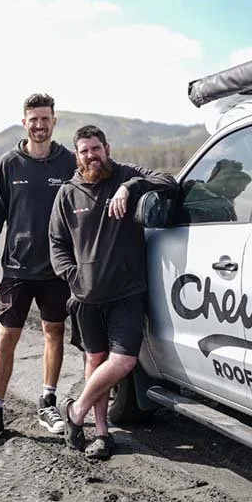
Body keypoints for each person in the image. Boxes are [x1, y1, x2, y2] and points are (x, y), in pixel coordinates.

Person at [49, 124, 179, 460]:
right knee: (95, 360)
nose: (91, 155)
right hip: (86, 296)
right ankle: (102, 435)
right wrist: (72, 277)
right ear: (77, 156)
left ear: (107, 148)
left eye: (96, 148)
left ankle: (75, 412)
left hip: (127, 292)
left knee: (122, 361)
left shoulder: (126, 174)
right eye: (84, 151)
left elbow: (169, 181)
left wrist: (128, 187)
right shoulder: (68, 192)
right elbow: (57, 243)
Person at [0, 93, 77, 453]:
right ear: (25, 122)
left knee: (54, 331)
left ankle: (48, 403)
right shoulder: (9, 164)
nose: (39, 125)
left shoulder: (68, 163)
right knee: (7, 336)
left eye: (45, 119)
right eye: (33, 119)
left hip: (56, 269)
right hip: (16, 267)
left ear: (54, 121)